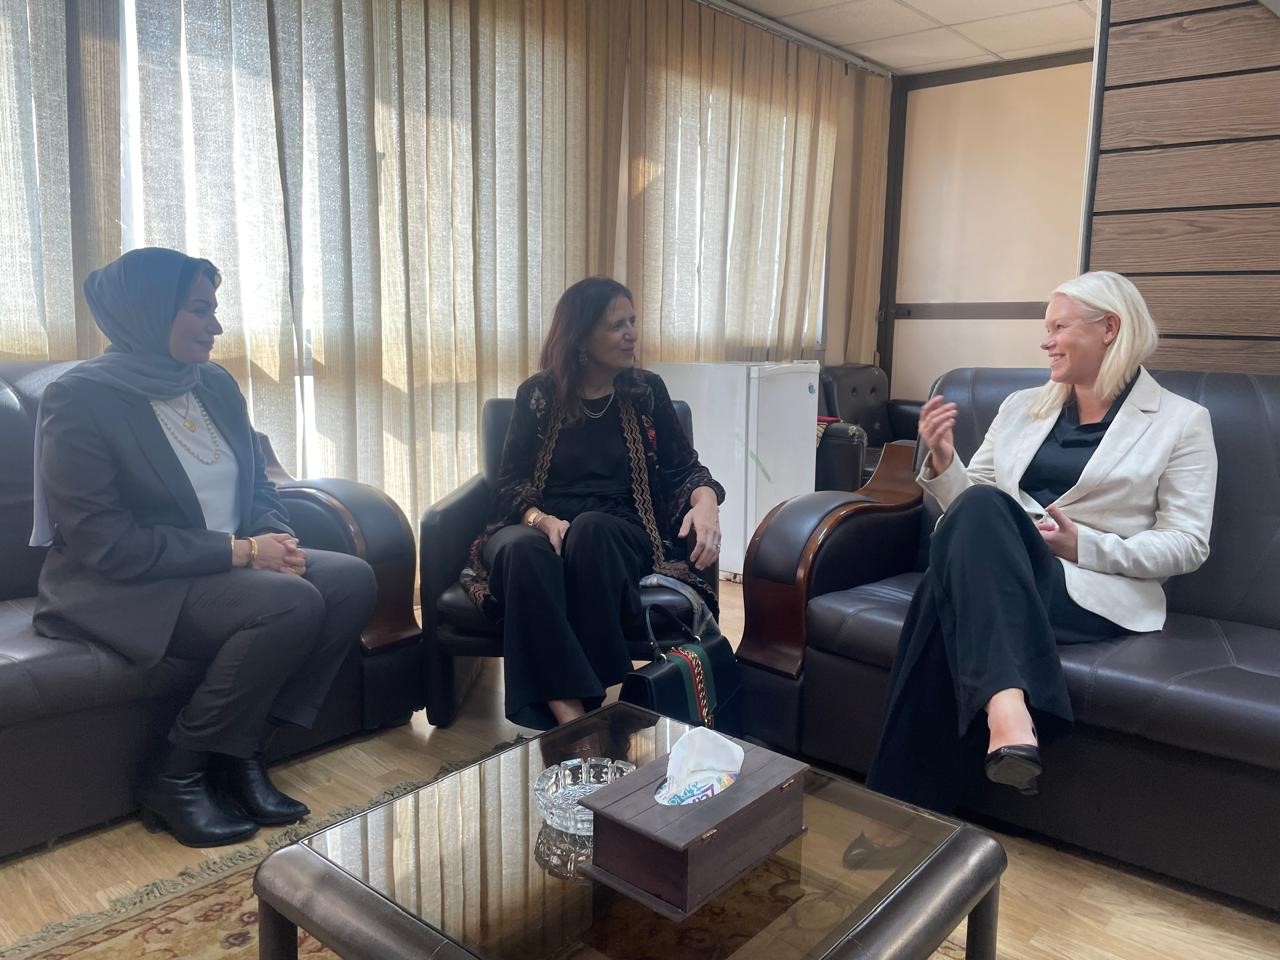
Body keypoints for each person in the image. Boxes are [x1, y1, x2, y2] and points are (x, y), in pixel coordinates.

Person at [849, 271, 1217, 866]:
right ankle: (1008, 712)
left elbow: (1187, 544)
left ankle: (900, 815)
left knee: (947, 590)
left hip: (1089, 588)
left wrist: (1083, 546)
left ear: (1109, 328)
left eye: (1058, 327)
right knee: (975, 517)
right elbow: (973, 505)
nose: (1045, 341)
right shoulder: (1022, 407)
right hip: (1003, 572)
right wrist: (943, 461)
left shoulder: (1181, 421)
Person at [31, 247, 377, 849]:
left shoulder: (213, 384)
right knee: (289, 602)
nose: (216, 325)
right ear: (148, 311)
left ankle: (243, 753)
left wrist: (278, 539)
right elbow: (103, 541)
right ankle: (174, 774)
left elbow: (257, 483)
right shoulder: (80, 399)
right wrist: (243, 552)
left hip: (223, 567)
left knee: (349, 580)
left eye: (215, 309)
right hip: (124, 584)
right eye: (199, 309)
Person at [461, 276, 724, 730]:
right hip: (535, 523)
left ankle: (579, 708)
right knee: (522, 551)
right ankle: (577, 718)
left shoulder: (646, 392)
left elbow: (684, 467)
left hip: (617, 528)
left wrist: (707, 502)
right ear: (581, 338)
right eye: (616, 325)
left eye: (632, 321)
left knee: (590, 530)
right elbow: (508, 484)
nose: (631, 334)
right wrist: (541, 520)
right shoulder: (538, 396)